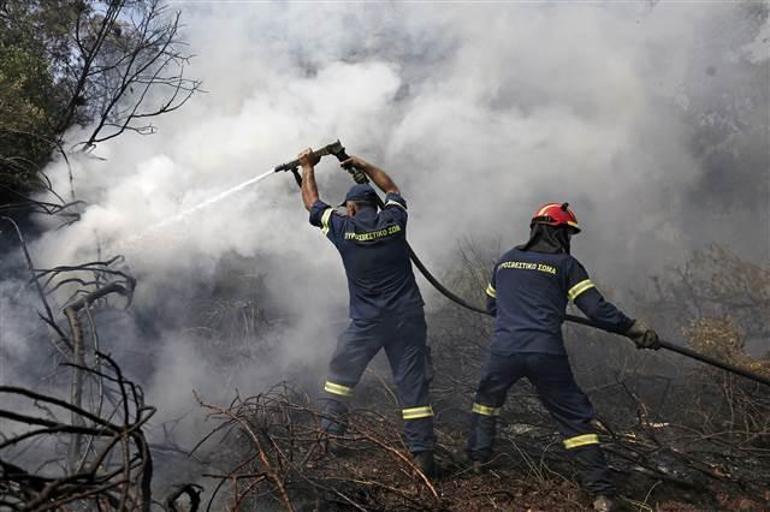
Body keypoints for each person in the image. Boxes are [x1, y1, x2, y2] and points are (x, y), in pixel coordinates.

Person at [466, 202, 660, 512]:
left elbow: (491, 306)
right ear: (557, 233)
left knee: (486, 402)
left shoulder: (506, 261)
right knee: (573, 418)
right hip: (545, 351)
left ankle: (477, 460)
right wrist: (634, 329)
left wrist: (522, 307)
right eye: (567, 233)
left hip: (504, 350)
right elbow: (596, 310)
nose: (568, 239)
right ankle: (601, 495)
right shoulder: (566, 265)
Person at [297, 148, 436, 475]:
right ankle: (424, 456)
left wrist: (306, 168)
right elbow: (392, 190)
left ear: (352, 207)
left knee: (340, 378)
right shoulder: (394, 220)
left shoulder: (343, 228)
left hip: (367, 322)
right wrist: (362, 164)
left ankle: (332, 438)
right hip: (407, 318)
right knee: (413, 384)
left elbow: (311, 203)